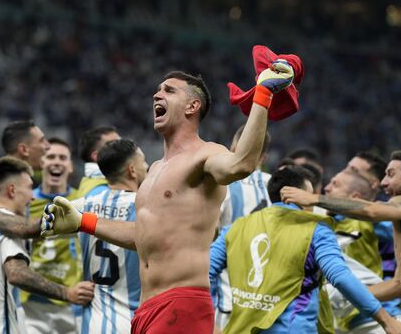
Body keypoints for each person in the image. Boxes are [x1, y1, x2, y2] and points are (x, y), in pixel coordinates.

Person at [42, 63, 297, 333]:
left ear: (192, 106)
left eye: (169, 90)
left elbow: (241, 164)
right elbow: (143, 235)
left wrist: (262, 95)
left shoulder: (206, 153)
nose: (157, 95)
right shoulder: (153, 169)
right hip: (146, 310)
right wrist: (83, 221)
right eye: (157, 90)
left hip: (182, 304)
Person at [281, 148, 401, 333]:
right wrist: (346, 297)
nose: (384, 183)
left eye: (391, 175)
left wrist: (314, 199)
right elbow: (400, 285)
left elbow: (371, 211)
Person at [209, 166, 401, 334]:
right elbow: (339, 276)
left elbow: (204, 272)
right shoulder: (315, 229)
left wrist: (210, 322)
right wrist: (385, 320)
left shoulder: (235, 228)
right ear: (298, 196)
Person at [0, 157, 93, 334]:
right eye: (29, 188)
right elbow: (16, 274)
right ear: (12, 190)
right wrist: (67, 293)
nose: (32, 197)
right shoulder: (9, 228)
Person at [23, 137, 93, 334]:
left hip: (73, 304)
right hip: (32, 302)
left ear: (70, 166)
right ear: (41, 163)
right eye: (50, 156)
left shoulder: (83, 201)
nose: (56, 161)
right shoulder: (26, 201)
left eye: (62, 158)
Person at [79, 139, 147, 334]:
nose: (147, 166)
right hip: (136, 321)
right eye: (143, 161)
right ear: (132, 170)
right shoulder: (147, 208)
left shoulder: (84, 204)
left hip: (92, 321)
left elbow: (36, 225)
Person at [324, 169, 401, 334]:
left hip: (382, 319)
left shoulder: (374, 224)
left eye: (335, 184)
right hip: (348, 323)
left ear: (355, 198)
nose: (327, 188)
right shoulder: (324, 225)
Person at [214, 126, 272, 329]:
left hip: (227, 293)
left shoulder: (223, 183)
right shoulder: (277, 185)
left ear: (234, 148)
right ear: (263, 157)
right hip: (267, 298)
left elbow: (211, 230)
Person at [77, 125, 121, 197]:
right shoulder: (100, 192)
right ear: (97, 156)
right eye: (115, 145)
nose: (124, 148)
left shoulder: (89, 184)